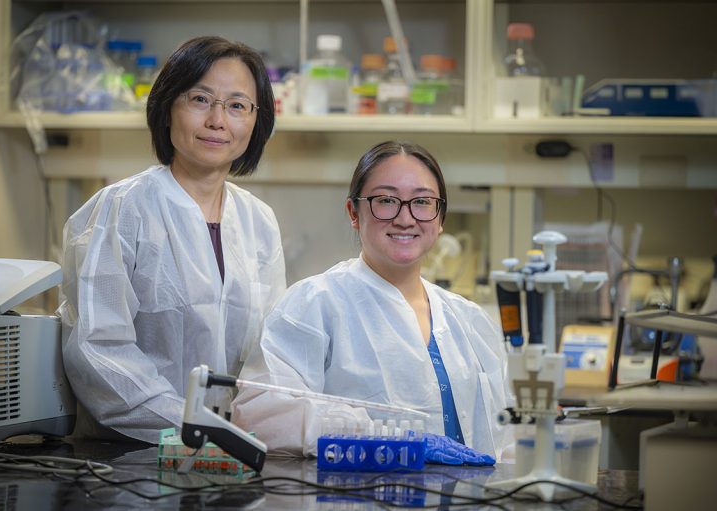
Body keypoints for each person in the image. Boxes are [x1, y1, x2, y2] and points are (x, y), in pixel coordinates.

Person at [58, 36, 286, 443]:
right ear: (167, 109)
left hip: (230, 455)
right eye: (200, 99)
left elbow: (268, 354)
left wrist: (245, 430)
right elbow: (100, 351)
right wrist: (194, 427)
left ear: (256, 122)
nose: (218, 120)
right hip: (128, 459)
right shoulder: (120, 210)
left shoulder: (259, 222)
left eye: (237, 105)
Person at [232, 141, 512, 463]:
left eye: (422, 202)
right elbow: (260, 412)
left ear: (440, 217)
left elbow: (507, 437)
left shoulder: (471, 321)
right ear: (354, 212)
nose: (405, 218)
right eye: (386, 200)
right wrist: (379, 437)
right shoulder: (316, 305)